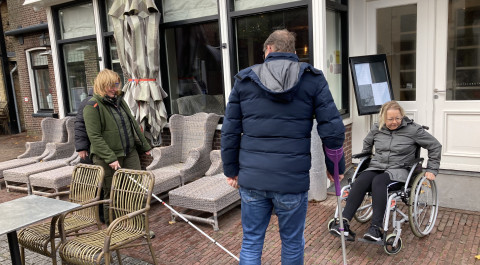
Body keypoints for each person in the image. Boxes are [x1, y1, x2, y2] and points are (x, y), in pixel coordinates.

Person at [221, 29, 346, 265]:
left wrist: (231, 170)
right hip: (291, 180)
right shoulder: (312, 79)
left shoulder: (244, 80)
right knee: (291, 241)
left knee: (251, 240)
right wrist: (336, 167)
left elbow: (229, 132)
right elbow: (333, 130)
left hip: (253, 179)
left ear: (269, 49)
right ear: (293, 52)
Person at [330, 100, 442, 242]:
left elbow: (435, 146)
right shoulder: (377, 128)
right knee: (361, 180)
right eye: (390, 119)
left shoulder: (413, 130)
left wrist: (432, 168)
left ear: (402, 116)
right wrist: (365, 159)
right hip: (377, 166)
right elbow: (367, 143)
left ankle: (376, 229)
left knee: (379, 182)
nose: (394, 122)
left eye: (397, 118)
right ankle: (343, 223)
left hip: (399, 170)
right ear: (383, 118)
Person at [83, 69, 152, 224]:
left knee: (136, 190)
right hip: (107, 158)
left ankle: (138, 226)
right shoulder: (92, 106)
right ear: (102, 85)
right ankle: (113, 228)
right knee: (112, 193)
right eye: (110, 85)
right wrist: (110, 158)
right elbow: (95, 137)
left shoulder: (120, 101)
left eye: (116, 84)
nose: (115, 88)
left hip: (129, 152)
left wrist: (145, 145)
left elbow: (133, 124)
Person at [75, 88, 93, 164]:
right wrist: (81, 148)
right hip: (90, 147)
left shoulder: (114, 100)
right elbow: (80, 125)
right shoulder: (87, 102)